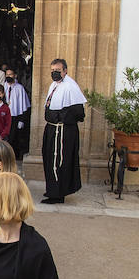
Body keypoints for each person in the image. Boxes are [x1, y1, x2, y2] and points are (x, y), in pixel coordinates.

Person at [41, 58, 86, 204]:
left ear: (65, 71)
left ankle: (58, 194)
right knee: (49, 158)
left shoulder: (70, 86)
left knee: (58, 161)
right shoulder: (54, 85)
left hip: (62, 131)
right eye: (52, 70)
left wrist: (57, 116)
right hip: (52, 129)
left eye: (58, 71)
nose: (54, 73)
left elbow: (78, 112)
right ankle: (53, 189)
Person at [3, 67, 31, 159]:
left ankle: (15, 157)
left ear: (15, 75)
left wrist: (22, 120)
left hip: (16, 116)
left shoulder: (20, 88)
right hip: (5, 116)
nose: (8, 76)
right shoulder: (3, 87)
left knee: (15, 138)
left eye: (10, 74)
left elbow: (24, 105)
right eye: (7, 74)